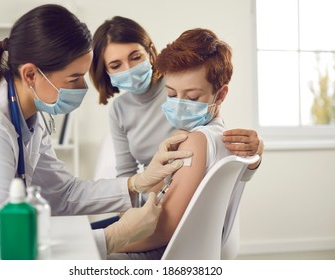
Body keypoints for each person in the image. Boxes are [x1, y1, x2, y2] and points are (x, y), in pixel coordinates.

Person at [0, 4, 192, 258]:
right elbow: (6, 241)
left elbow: (63, 193)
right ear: (31, 74)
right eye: (74, 78)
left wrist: (136, 183)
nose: (83, 87)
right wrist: (114, 237)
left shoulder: (31, 116)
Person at [89, 17, 263, 258]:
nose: (179, 106)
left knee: (77, 247)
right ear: (105, 70)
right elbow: (129, 175)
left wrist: (103, 244)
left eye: (191, 98)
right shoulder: (123, 110)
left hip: (173, 233)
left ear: (150, 53)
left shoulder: (194, 130)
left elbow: (167, 229)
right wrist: (124, 221)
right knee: (79, 237)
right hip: (153, 206)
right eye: (171, 96)